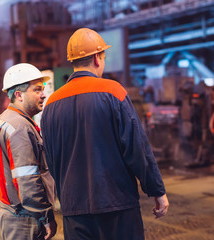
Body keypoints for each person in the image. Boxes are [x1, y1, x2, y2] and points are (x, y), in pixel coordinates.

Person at [41, 28, 169, 240]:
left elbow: (52, 162)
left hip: (74, 210)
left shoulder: (51, 104)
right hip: (117, 204)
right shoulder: (113, 91)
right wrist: (156, 190)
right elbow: (137, 148)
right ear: (97, 59)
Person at [0, 63, 57, 240]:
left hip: (11, 213)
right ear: (18, 95)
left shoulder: (4, 120)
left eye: (42, 89)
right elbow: (27, 179)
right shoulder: (19, 127)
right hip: (24, 217)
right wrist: (45, 215)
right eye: (36, 90)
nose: (43, 94)